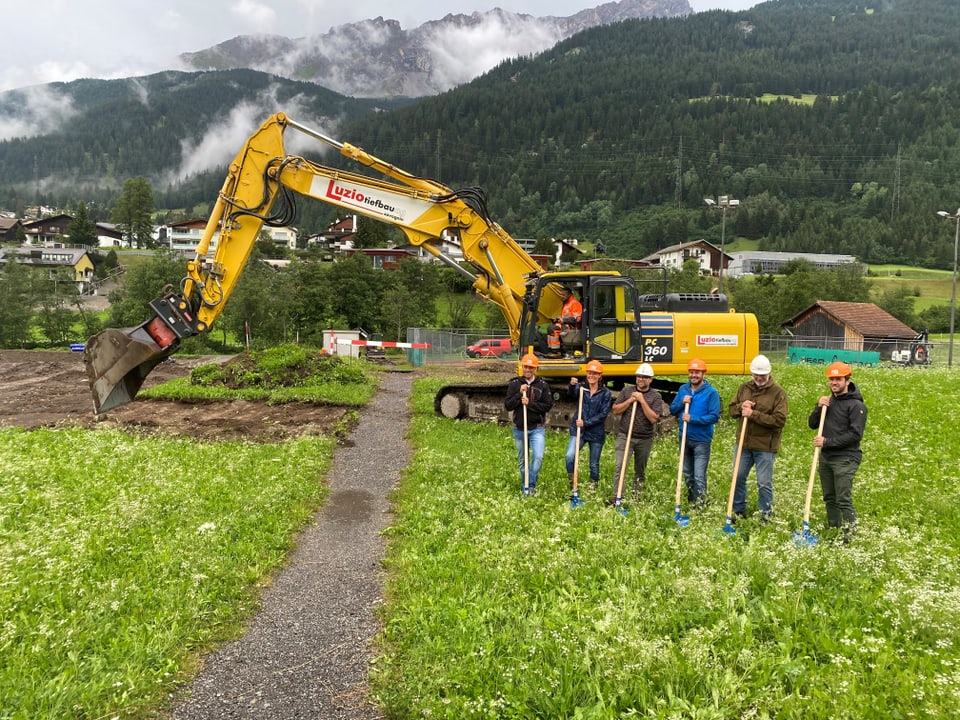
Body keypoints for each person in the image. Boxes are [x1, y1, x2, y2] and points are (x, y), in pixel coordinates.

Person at [809, 361, 867, 542]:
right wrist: (818, 407)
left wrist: (827, 441)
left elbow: (855, 435)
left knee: (843, 498)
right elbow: (812, 424)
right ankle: (834, 529)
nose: (834, 382)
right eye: (831, 379)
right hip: (826, 458)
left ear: (847, 381)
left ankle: (850, 536)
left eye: (838, 379)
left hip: (846, 458)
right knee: (829, 497)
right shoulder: (828, 402)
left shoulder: (857, 406)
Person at [728, 354, 788, 522]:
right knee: (737, 477)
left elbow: (779, 421)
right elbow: (731, 410)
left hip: (765, 447)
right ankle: (738, 511)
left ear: (768, 373)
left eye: (762, 375)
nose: (759, 378)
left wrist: (753, 414)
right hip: (743, 444)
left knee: (764, 483)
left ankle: (766, 515)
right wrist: (741, 407)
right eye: (756, 374)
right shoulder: (743, 388)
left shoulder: (778, 393)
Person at [669, 358, 721, 508]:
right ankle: (692, 500)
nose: (694, 375)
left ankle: (700, 505)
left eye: (697, 372)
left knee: (699, 475)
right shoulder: (682, 390)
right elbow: (673, 410)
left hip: (702, 440)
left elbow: (714, 416)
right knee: (687, 473)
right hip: (684, 437)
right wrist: (682, 402)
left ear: (703, 373)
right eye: (692, 372)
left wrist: (693, 418)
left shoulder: (711, 393)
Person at [609, 363, 663, 503]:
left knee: (640, 470)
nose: (641, 379)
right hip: (625, 436)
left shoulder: (655, 396)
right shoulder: (627, 391)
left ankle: (636, 497)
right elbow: (615, 410)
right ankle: (617, 496)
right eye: (639, 376)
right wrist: (630, 400)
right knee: (620, 466)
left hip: (644, 439)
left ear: (650, 379)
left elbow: (653, 418)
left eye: (645, 377)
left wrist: (642, 401)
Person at [504, 353, 554, 496]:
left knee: (538, 457)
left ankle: (530, 483)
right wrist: (519, 394)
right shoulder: (515, 384)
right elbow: (508, 405)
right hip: (519, 428)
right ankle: (526, 486)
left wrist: (529, 404)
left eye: (531, 367)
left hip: (537, 428)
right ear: (522, 367)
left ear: (535, 368)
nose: (528, 370)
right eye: (526, 367)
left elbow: (547, 406)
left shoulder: (543, 385)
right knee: (523, 460)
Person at [565, 360, 613, 493]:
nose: (591, 376)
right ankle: (572, 482)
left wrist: (586, 423)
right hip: (579, 430)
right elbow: (570, 395)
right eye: (589, 373)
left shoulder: (605, 393)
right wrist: (571, 385)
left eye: (595, 373)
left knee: (593, 464)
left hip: (596, 432)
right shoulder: (581, 388)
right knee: (570, 456)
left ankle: (593, 487)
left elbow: (603, 414)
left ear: (600, 376)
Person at [547, 286, 583, 356]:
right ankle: (552, 349)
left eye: (563, 295)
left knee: (554, 329)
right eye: (561, 294)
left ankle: (556, 351)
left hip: (573, 327)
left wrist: (563, 319)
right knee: (550, 327)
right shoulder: (566, 303)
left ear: (569, 294)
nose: (561, 296)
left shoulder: (575, 303)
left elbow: (577, 318)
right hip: (566, 325)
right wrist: (557, 319)